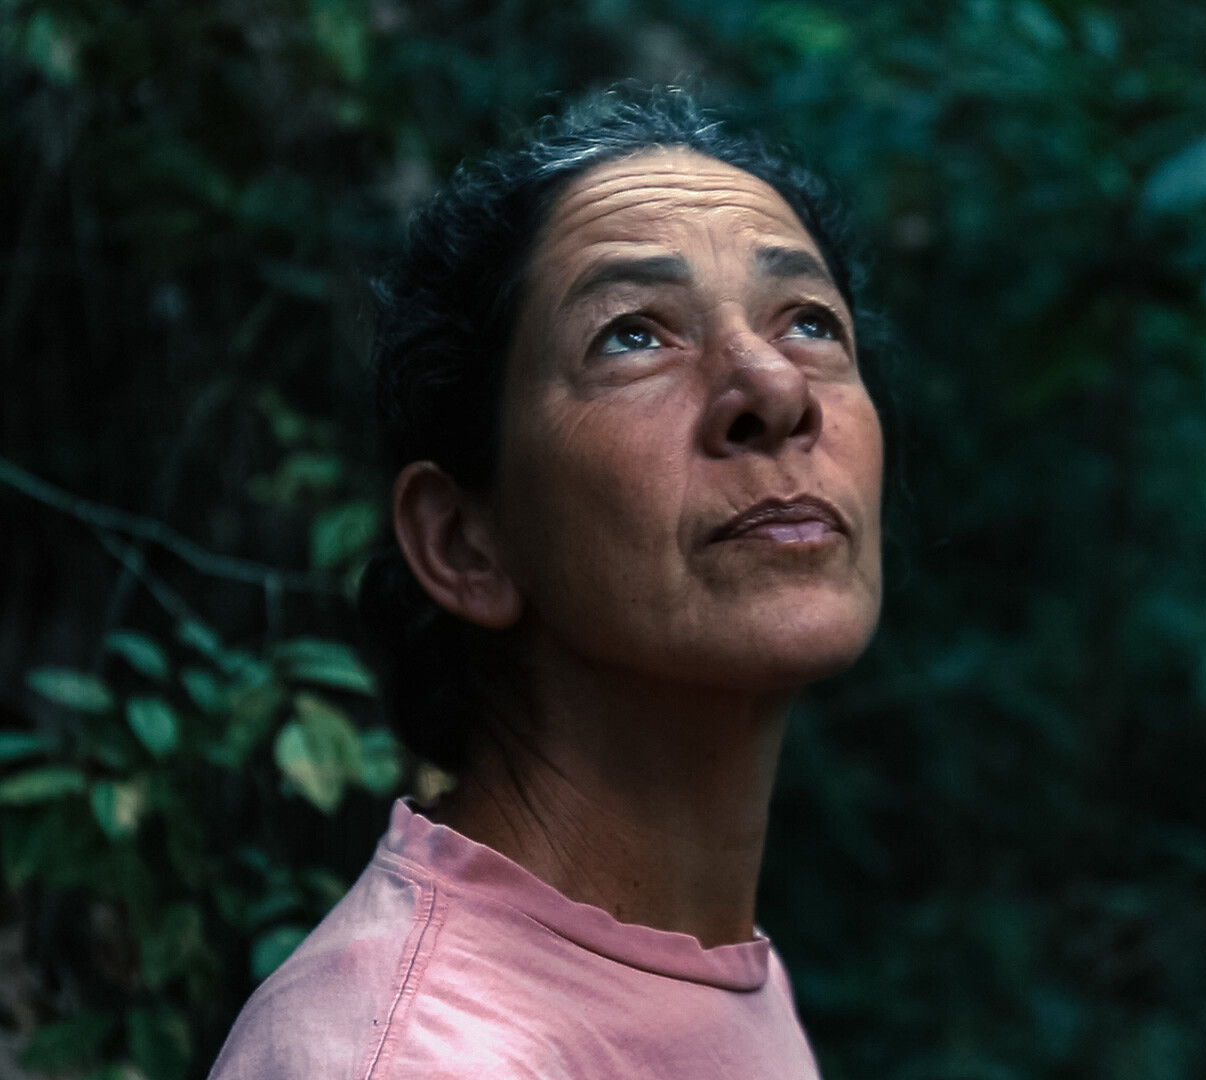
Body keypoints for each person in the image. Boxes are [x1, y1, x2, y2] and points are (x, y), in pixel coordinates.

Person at [207, 87, 884, 1079]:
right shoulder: (414, 1058)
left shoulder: (699, 965)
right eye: (634, 334)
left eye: (810, 323)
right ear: (463, 542)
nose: (777, 390)